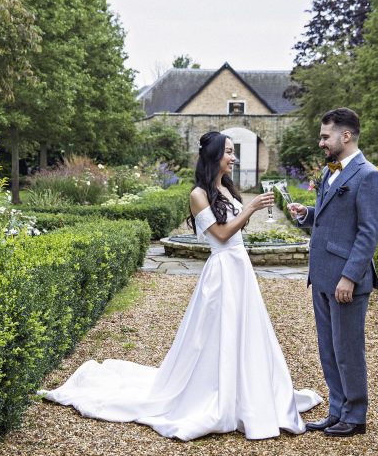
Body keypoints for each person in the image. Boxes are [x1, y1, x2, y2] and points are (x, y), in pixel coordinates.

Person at [40, 131, 321, 440]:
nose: (233, 157)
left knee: (247, 329)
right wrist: (251, 209)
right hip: (223, 268)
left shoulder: (226, 188)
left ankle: (247, 390)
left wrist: (253, 209)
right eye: (228, 152)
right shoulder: (198, 194)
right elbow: (222, 235)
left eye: (233, 151)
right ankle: (216, 393)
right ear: (214, 156)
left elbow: (237, 228)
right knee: (217, 332)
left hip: (241, 267)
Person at [287, 107, 378, 438]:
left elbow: (368, 232)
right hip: (322, 275)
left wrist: (350, 276)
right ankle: (336, 410)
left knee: (348, 349)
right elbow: (332, 216)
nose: (320, 142)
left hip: (346, 280)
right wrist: (308, 214)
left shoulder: (368, 175)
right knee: (329, 348)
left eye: (325, 136)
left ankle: (355, 416)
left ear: (346, 136)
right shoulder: (331, 170)